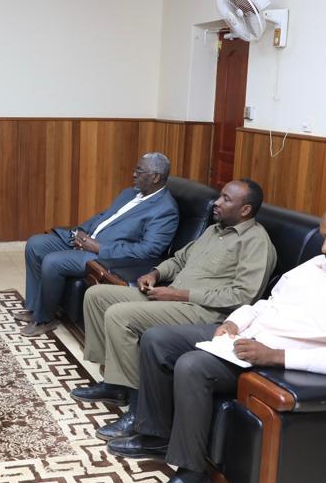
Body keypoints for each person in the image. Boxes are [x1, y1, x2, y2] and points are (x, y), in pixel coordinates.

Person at [114, 199, 326, 483]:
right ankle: (156, 435)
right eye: (324, 238)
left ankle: (192, 475)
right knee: (157, 339)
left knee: (193, 366)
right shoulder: (316, 266)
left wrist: (276, 356)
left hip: (278, 362)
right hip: (248, 339)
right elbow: (268, 304)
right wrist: (234, 322)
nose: (324, 247)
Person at [72, 179, 276, 440]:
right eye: (220, 196)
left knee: (119, 316)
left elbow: (243, 296)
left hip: (204, 312)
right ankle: (115, 383)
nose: (216, 202)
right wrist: (155, 274)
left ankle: (138, 410)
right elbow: (179, 260)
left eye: (226, 199)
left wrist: (179, 294)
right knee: (97, 296)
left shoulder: (256, 242)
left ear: (245, 210)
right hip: (172, 297)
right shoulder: (215, 230)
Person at [17, 152, 180, 336]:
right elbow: (104, 216)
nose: (134, 174)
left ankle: (44, 319)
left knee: (53, 261)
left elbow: (148, 251)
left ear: (156, 177)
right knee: (36, 244)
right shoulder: (130, 193)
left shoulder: (165, 210)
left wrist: (99, 247)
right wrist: (81, 233)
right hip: (87, 242)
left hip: (105, 256)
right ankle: (35, 308)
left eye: (139, 171)